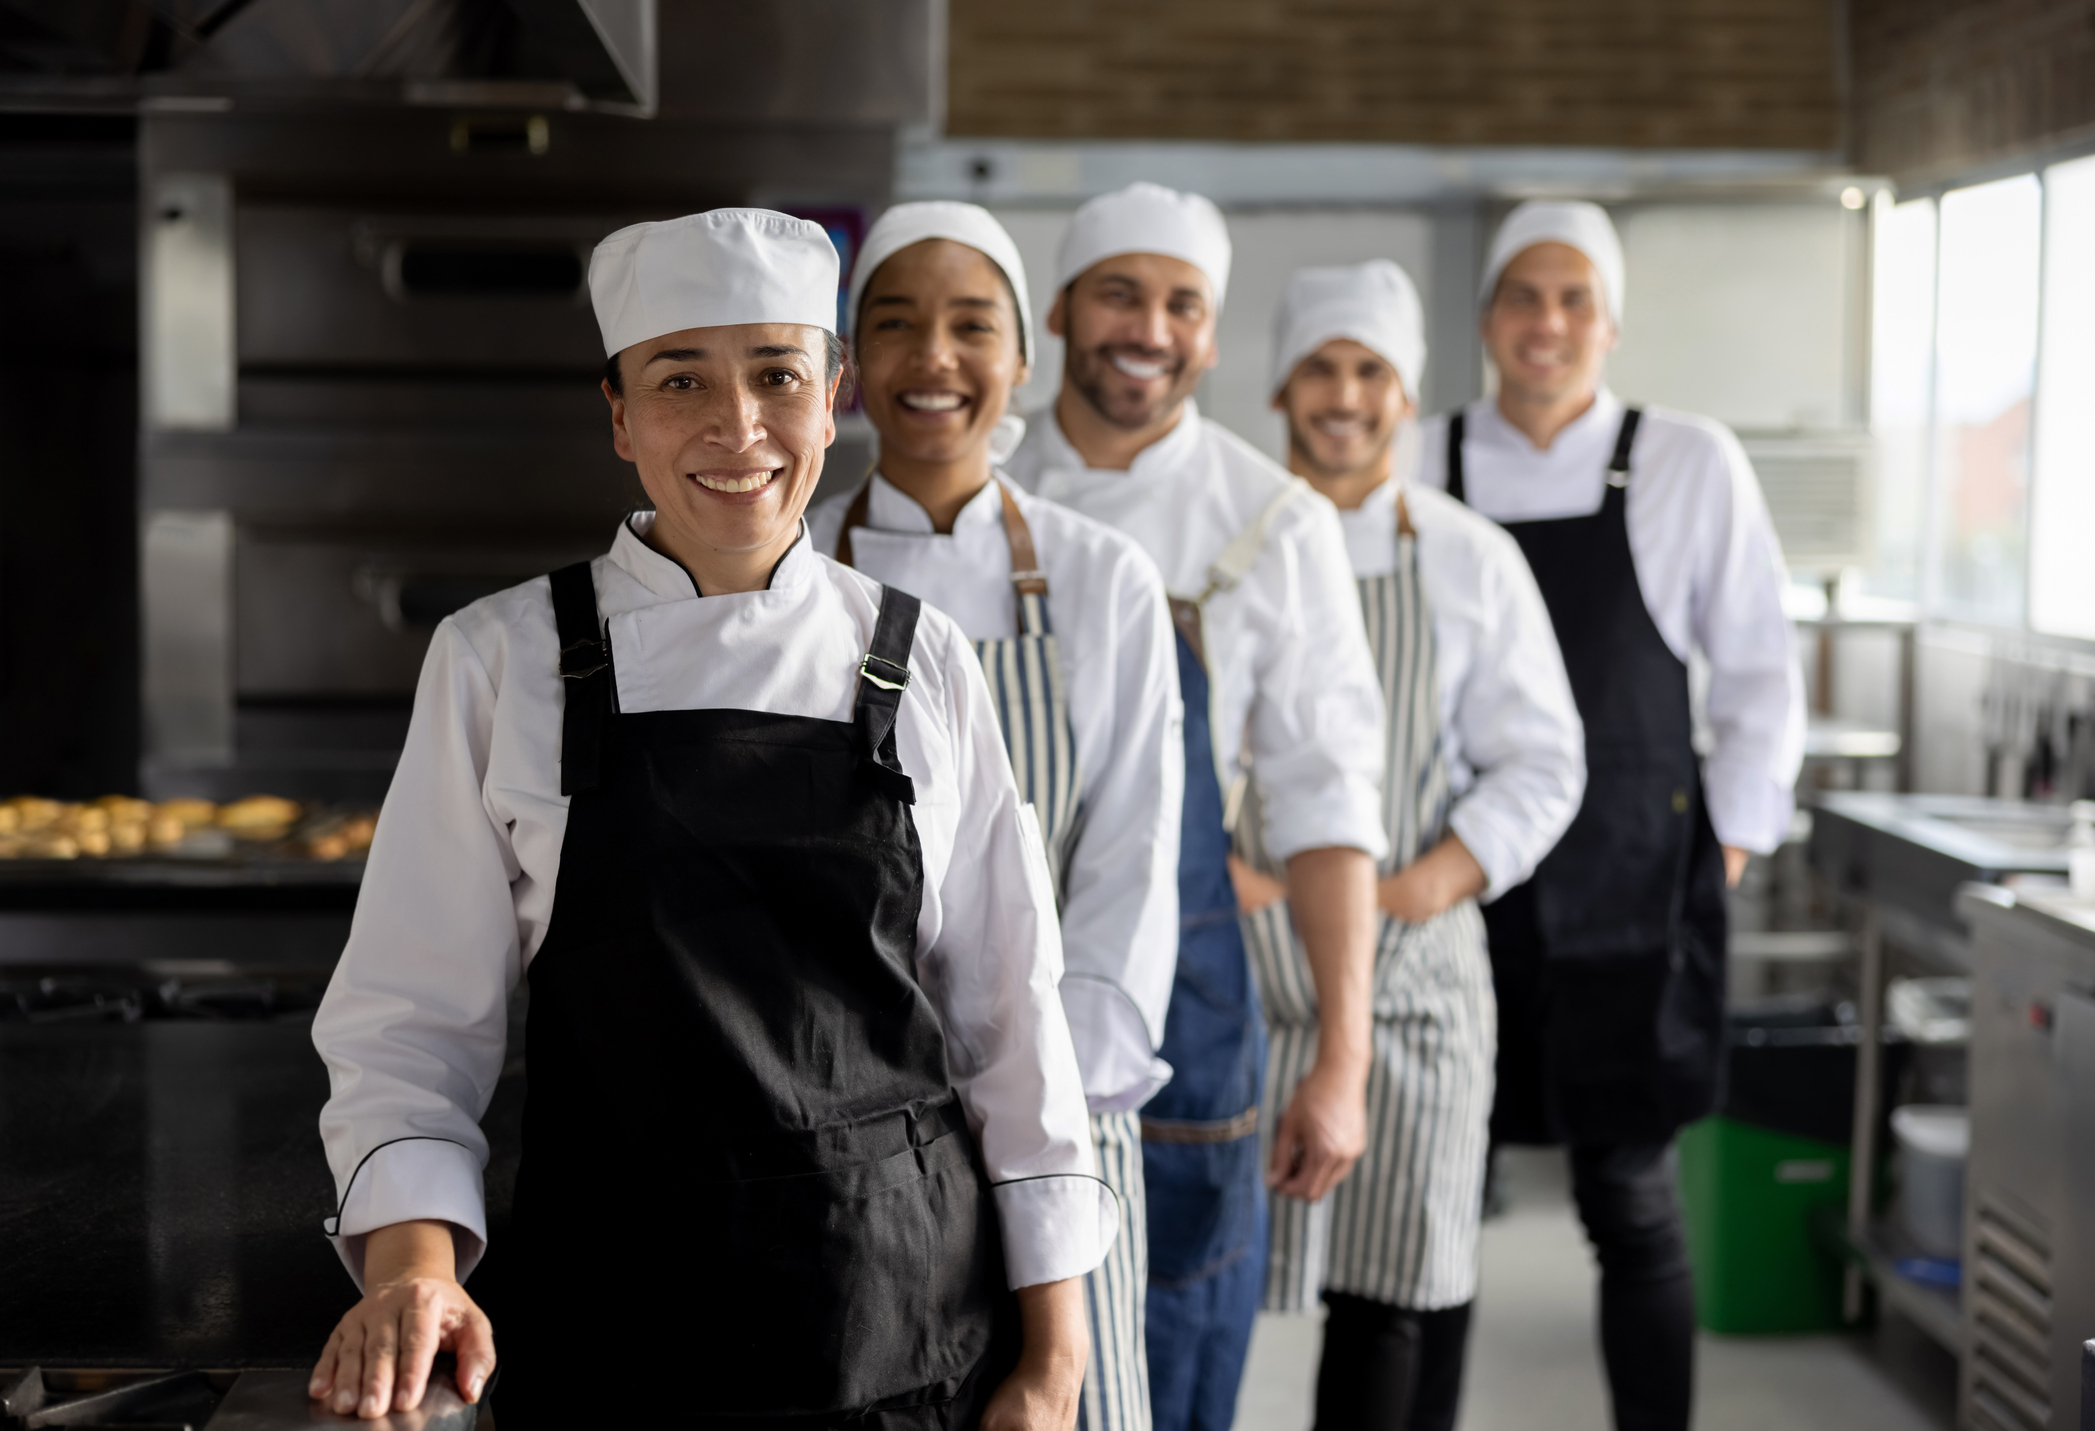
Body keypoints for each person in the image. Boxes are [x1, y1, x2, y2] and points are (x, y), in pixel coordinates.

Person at [305, 208, 1116, 1430]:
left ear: (832, 393)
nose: (737, 429)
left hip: (903, 1329)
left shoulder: (918, 657)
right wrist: (414, 1273)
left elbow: (1011, 1024)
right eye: (682, 379)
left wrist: (1052, 1365)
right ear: (621, 415)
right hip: (614, 1328)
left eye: (777, 375)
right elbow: (411, 1028)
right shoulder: (500, 660)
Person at [1415, 201, 1806, 1431]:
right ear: (1484, 319)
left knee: (1630, 1199)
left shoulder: (1689, 459)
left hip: (1632, 889)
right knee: (1428, 1210)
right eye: (1522, 297)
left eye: (1573, 299)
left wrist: (1726, 846)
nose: (1547, 323)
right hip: (1459, 881)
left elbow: (1756, 674)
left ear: (1612, 323)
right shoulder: (1425, 456)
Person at [1002, 182, 1387, 1431]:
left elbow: (1329, 805)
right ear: (1060, 309)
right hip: (970, 977)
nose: (1148, 327)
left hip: (1184, 1001)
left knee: (1169, 1353)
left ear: (1213, 338)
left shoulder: (1274, 523)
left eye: (1182, 304)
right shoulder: (969, 482)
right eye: (1119, 291)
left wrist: (1341, 1056)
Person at [807, 201, 1182, 1431]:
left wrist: (1032, 1108)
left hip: (1062, 1106)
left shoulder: (1101, 580)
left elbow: (1129, 862)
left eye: (973, 325)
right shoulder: (790, 574)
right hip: (840, 1127)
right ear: (849, 365)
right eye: (897, 324)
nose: (934, 360)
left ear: (1024, 357)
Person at [1236, 259, 1583, 1431]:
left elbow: (1542, 762)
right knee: (1207, 1281)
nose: (1343, 395)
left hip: (1415, 992)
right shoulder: (1230, 535)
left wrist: (1415, 890)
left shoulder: (1465, 555)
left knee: (1390, 1302)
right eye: (1319, 369)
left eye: (1370, 371)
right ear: (1280, 390)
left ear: (1406, 395)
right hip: (1233, 968)